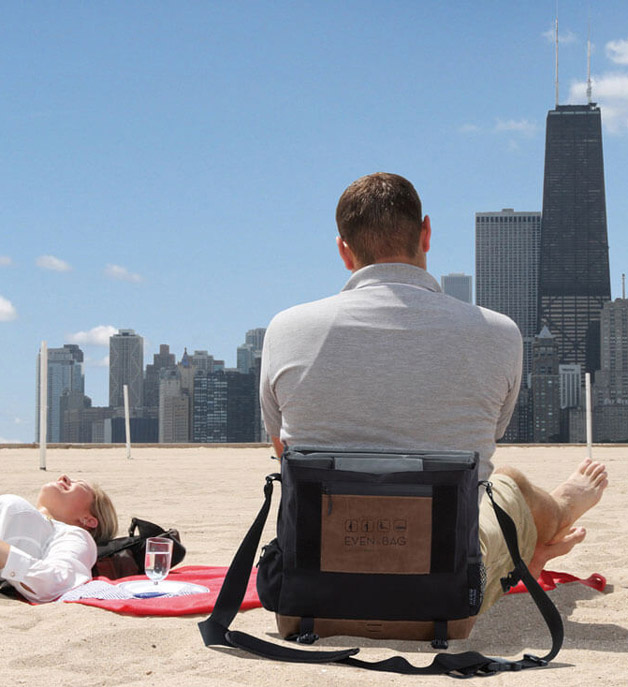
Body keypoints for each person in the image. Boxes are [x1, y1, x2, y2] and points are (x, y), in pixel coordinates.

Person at [260, 171, 608, 613]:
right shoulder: (499, 333)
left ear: (344, 251)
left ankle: (529, 550)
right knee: (507, 482)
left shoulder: (286, 329)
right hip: (445, 590)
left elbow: (283, 451)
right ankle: (556, 512)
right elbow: (486, 435)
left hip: (315, 583)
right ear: (426, 233)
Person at [0, 474, 118, 603]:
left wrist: (5, 555)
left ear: (88, 520)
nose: (64, 477)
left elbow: (59, 581)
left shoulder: (71, 535)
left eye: (79, 484)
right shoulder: (42, 524)